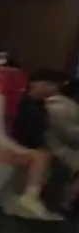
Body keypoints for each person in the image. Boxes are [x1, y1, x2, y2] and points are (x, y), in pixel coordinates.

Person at [0, 65, 61, 221]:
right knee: (39, 157)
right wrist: (17, 149)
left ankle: (19, 200)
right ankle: (29, 198)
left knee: (35, 157)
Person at [44, 77, 79, 212]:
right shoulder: (63, 108)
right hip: (58, 149)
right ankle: (68, 201)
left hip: (56, 146)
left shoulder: (60, 105)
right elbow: (71, 135)